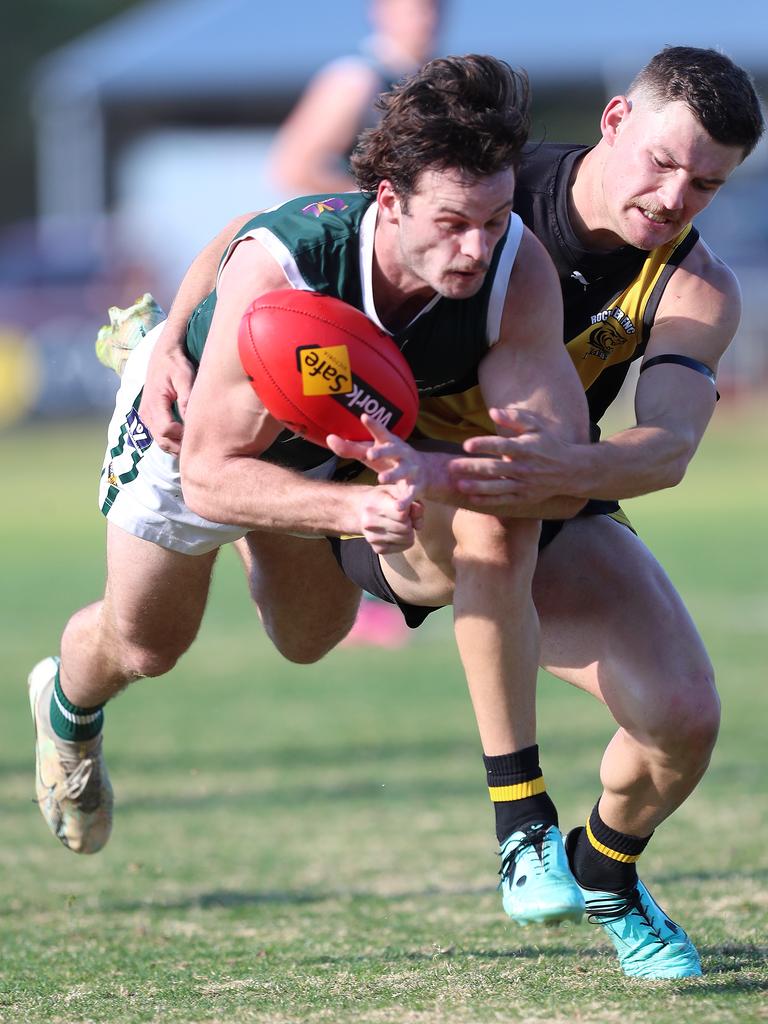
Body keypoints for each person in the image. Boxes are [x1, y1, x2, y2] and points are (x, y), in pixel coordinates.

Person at [127, 45, 765, 980]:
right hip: (402, 493)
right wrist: (171, 339)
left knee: (683, 719)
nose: (674, 198)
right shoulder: (494, 185)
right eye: (664, 164)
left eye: (706, 184)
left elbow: (665, 449)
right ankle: (522, 823)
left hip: (542, 493)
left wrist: (566, 465)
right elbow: (274, 229)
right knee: (461, 538)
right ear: (616, 120)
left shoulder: (695, 286)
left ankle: (606, 872)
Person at [28, 53, 590, 945]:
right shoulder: (296, 265)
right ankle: (67, 715)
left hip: (330, 436)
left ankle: (283, 515)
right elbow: (213, 473)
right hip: (198, 435)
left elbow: (553, 446)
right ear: (387, 199)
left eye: (494, 219)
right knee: (144, 646)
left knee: (309, 640)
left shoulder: (512, 269)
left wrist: (513, 465)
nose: (476, 249)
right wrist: (343, 506)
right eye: (452, 223)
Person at [269, 0, 444, 648]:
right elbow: (293, 166)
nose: (428, 14)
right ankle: (355, 586)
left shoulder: (435, 82)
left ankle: (394, 577)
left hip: (403, 287)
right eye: (414, 3)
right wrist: (383, 203)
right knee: (351, 425)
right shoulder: (357, 78)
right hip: (343, 289)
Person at [268, 0, 442, 197]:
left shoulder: (434, 85)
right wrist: (378, 198)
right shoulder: (355, 80)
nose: (430, 19)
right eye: (416, 9)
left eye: (436, 7)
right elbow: (294, 170)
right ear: (381, 11)